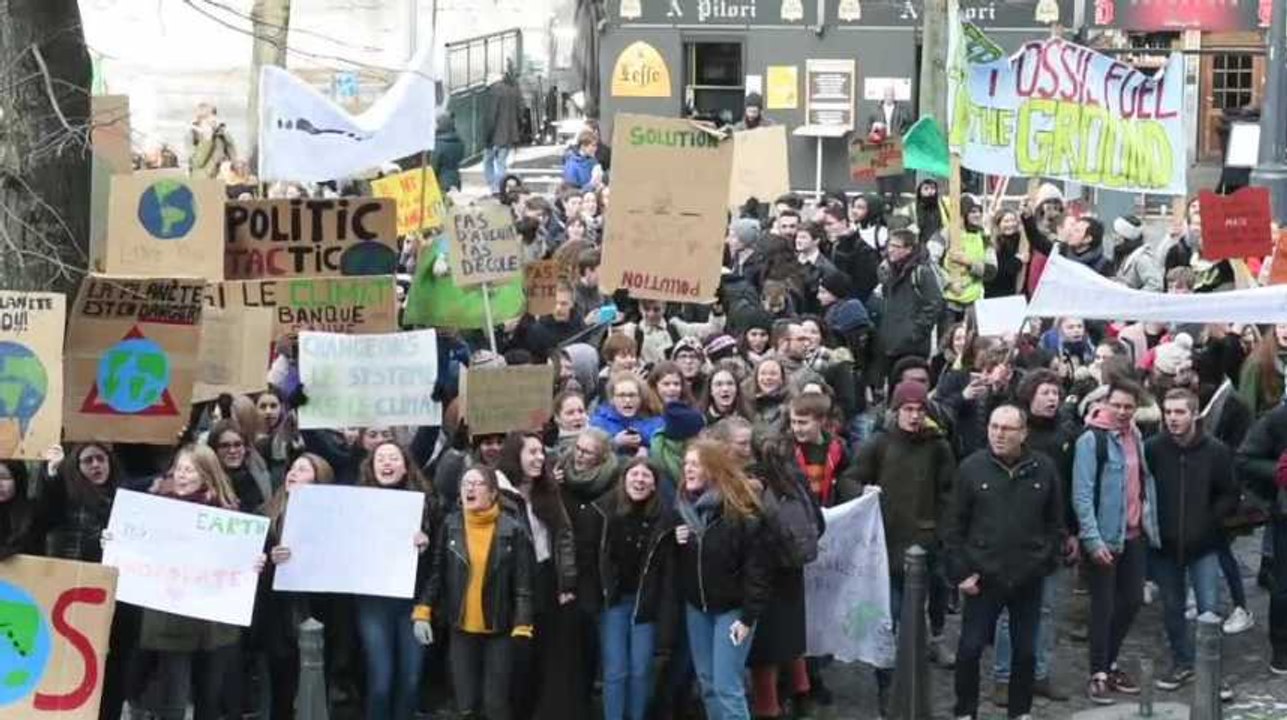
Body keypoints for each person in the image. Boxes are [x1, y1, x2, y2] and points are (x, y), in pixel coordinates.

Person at [947, 405, 1063, 720]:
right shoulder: (972, 468)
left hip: (1028, 575)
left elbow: (1055, 522)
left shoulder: (1043, 468)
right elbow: (955, 525)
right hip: (983, 575)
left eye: (1007, 429)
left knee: (1025, 651)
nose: (999, 434)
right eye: (994, 427)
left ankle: (1020, 711)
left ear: (1023, 433)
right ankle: (965, 711)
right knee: (970, 648)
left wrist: (1044, 562)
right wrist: (962, 572)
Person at [850, 380, 958, 709]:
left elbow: (948, 493)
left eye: (919, 410)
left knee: (913, 622)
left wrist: (939, 532)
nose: (914, 416)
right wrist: (862, 492)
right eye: (908, 409)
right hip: (885, 547)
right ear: (895, 411)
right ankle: (887, 688)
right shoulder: (879, 443)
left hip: (924, 549)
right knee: (889, 622)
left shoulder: (938, 446)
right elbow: (851, 477)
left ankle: (910, 685)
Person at [131, 444, 244, 720]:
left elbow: (238, 558)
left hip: (212, 621)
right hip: (170, 618)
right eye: (179, 469)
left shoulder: (226, 514)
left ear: (206, 474)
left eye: (190, 470)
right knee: (174, 699)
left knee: (209, 697)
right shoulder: (156, 507)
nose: (182, 475)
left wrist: (253, 561)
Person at [415, 465, 535, 720]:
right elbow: (437, 574)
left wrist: (522, 623)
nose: (469, 488)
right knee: (465, 703)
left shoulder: (513, 530)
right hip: (461, 628)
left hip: (500, 627)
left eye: (477, 483)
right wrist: (423, 611)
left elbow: (523, 584)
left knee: (495, 703)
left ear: (492, 493)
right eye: (465, 484)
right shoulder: (451, 525)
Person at [671, 440, 772, 720]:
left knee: (727, 686)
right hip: (697, 608)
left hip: (733, 610)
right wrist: (673, 542)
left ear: (714, 468)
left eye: (695, 464)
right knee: (707, 683)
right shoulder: (683, 508)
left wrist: (748, 618)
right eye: (686, 464)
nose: (688, 470)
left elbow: (758, 569)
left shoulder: (741, 510)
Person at [1072, 380, 1160, 704]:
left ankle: (1109, 661)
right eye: (1117, 405)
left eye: (1128, 406)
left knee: (1133, 600)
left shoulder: (1134, 435)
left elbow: (1141, 482)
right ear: (1106, 403)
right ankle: (1098, 672)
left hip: (1134, 534)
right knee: (1103, 606)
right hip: (1104, 537)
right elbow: (1082, 494)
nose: (1122, 411)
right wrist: (1092, 540)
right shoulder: (1090, 440)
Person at [1146, 388, 1238, 694]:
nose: (1172, 418)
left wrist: (1209, 521)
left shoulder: (1216, 451)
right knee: (1172, 609)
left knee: (1209, 610)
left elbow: (1229, 493)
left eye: (1179, 412)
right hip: (1165, 546)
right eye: (1168, 412)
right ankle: (1182, 663)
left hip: (1204, 545)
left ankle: (1213, 673)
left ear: (1194, 414)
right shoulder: (1154, 449)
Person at [356, 442, 436, 720]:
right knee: (381, 681)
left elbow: (439, 563)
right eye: (380, 458)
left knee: (411, 680)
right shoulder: (356, 505)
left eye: (393, 458)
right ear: (371, 466)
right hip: (373, 604)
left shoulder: (426, 504)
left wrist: (426, 546)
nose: (387, 463)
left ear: (406, 467)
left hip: (413, 604)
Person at [258, 453, 336, 719]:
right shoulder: (266, 513)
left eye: (302, 469)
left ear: (319, 480)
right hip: (279, 615)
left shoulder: (334, 518)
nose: (292, 473)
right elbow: (252, 566)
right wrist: (270, 560)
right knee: (281, 686)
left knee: (317, 685)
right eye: (292, 468)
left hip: (320, 610)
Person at [595, 458, 673, 720]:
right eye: (634, 474)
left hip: (645, 602)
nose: (639, 480)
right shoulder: (604, 511)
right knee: (615, 670)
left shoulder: (665, 518)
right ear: (623, 479)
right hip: (614, 602)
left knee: (641, 669)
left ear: (654, 485)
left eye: (646, 476)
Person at [876, 229, 944, 382]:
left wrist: (915, 333)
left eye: (896, 246)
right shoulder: (889, 270)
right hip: (891, 343)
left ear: (909, 249)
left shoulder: (922, 272)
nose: (890, 250)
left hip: (912, 347)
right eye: (889, 245)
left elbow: (934, 304)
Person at [483, 69, 524, 194]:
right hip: (509, 135)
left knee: (488, 161)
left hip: (494, 136)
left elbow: (491, 117)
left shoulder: (493, 92)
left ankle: (494, 187)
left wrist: (487, 136)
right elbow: (520, 111)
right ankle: (501, 187)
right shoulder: (512, 90)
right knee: (501, 163)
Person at [189, 102, 236, 178]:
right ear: (200, 121)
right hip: (203, 180)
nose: (213, 120)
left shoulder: (222, 135)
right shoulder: (193, 136)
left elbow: (233, 157)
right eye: (208, 118)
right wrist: (207, 139)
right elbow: (197, 162)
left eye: (213, 116)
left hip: (222, 178)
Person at [432, 112, 466, 191]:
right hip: (456, 179)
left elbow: (434, 164)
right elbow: (461, 157)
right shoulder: (459, 141)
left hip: (441, 181)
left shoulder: (438, 143)